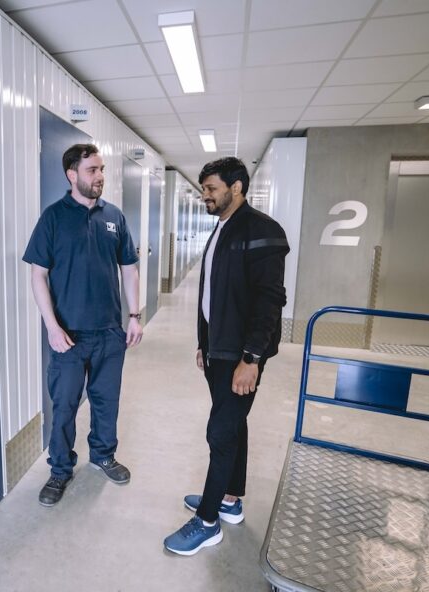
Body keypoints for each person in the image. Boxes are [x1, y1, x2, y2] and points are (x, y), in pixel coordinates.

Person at [164, 157, 288, 555]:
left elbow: (269, 302)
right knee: (234, 424)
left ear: (237, 188)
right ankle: (230, 500)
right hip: (219, 349)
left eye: (211, 188)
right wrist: (204, 344)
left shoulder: (262, 230)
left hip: (240, 354)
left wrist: (250, 359)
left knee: (220, 431)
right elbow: (212, 293)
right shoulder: (222, 227)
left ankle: (207, 521)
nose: (205, 195)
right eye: (204, 188)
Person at [22, 143, 143, 507]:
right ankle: (60, 470)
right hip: (68, 335)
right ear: (71, 174)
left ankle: (103, 455)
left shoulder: (114, 216)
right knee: (64, 407)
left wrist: (134, 316)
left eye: (101, 169)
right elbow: (38, 275)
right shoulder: (53, 218)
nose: (100, 176)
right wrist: (52, 327)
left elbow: (129, 269)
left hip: (109, 333)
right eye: (92, 170)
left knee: (107, 402)